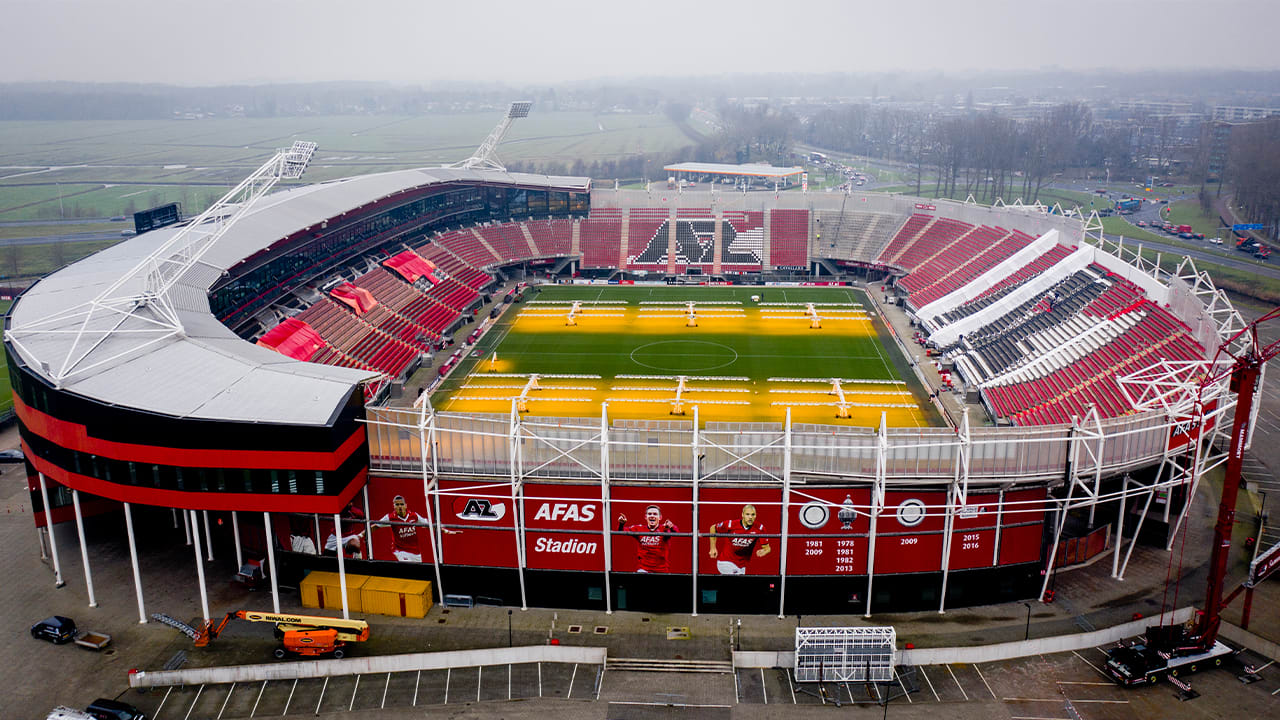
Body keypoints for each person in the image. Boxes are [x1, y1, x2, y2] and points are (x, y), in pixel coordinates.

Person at [708, 504, 771, 575]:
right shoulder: (731, 524)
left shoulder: (760, 528)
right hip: (726, 562)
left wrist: (764, 551)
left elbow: (768, 548)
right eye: (747, 514)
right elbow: (713, 528)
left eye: (753, 515)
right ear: (742, 515)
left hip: (741, 565)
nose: (750, 517)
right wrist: (713, 548)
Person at [616, 505, 679, 573]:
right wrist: (621, 524)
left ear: (660, 517)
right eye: (649, 514)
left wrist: (671, 526)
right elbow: (621, 531)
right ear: (645, 517)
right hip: (643, 569)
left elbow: (676, 532)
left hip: (662, 570)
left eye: (655, 514)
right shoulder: (638, 529)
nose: (652, 516)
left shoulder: (664, 528)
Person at [374, 495, 426, 562]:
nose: (400, 506)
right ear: (394, 506)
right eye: (397, 505)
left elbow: (427, 524)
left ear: (406, 505)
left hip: (415, 551)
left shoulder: (414, 515)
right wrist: (360, 535)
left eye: (401, 504)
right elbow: (376, 526)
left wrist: (441, 529)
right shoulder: (390, 517)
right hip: (400, 550)